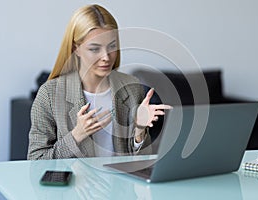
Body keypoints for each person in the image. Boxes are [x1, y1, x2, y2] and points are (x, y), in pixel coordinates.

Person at [27, 4, 172, 160]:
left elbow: (139, 163)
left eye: (112, 47)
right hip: (76, 183)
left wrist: (140, 130)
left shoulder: (131, 87)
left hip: (118, 183)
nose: (106, 57)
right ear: (76, 48)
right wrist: (77, 135)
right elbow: (36, 160)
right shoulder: (49, 94)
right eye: (95, 49)